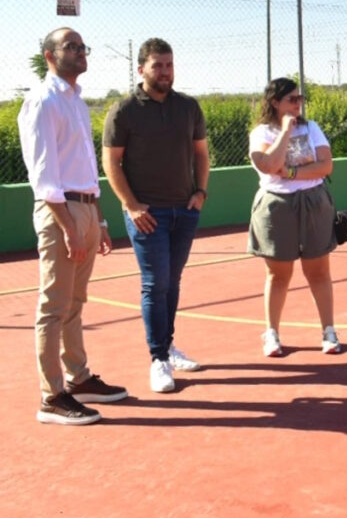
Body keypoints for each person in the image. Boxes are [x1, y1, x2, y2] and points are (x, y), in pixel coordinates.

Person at [18, 27, 129, 425]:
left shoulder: (77, 102)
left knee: (75, 304)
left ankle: (77, 378)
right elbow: (44, 175)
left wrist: (98, 219)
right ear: (49, 55)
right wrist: (66, 225)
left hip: (83, 209)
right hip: (58, 212)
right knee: (53, 306)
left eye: (83, 46)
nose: (81, 52)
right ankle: (52, 397)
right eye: (71, 46)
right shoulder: (43, 101)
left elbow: (84, 169)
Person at [102, 38, 210, 393]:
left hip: (184, 211)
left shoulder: (188, 107)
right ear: (141, 69)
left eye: (169, 65)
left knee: (172, 283)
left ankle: (168, 347)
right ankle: (158, 359)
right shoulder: (124, 111)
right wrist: (132, 206)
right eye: (157, 65)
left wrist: (199, 192)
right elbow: (111, 162)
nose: (164, 72)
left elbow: (201, 155)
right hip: (147, 214)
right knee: (155, 283)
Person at [247, 77, 342, 357]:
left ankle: (329, 331)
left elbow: (325, 166)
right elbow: (268, 165)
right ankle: (272, 333)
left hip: (314, 202)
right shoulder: (262, 133)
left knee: (319, 271)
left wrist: (291, 173)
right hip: (277, 205)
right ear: (275, 102)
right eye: (291, 99)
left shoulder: (312, 128)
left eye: (299, 99)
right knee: (278, 273)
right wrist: (285, 132)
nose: (297, 104)